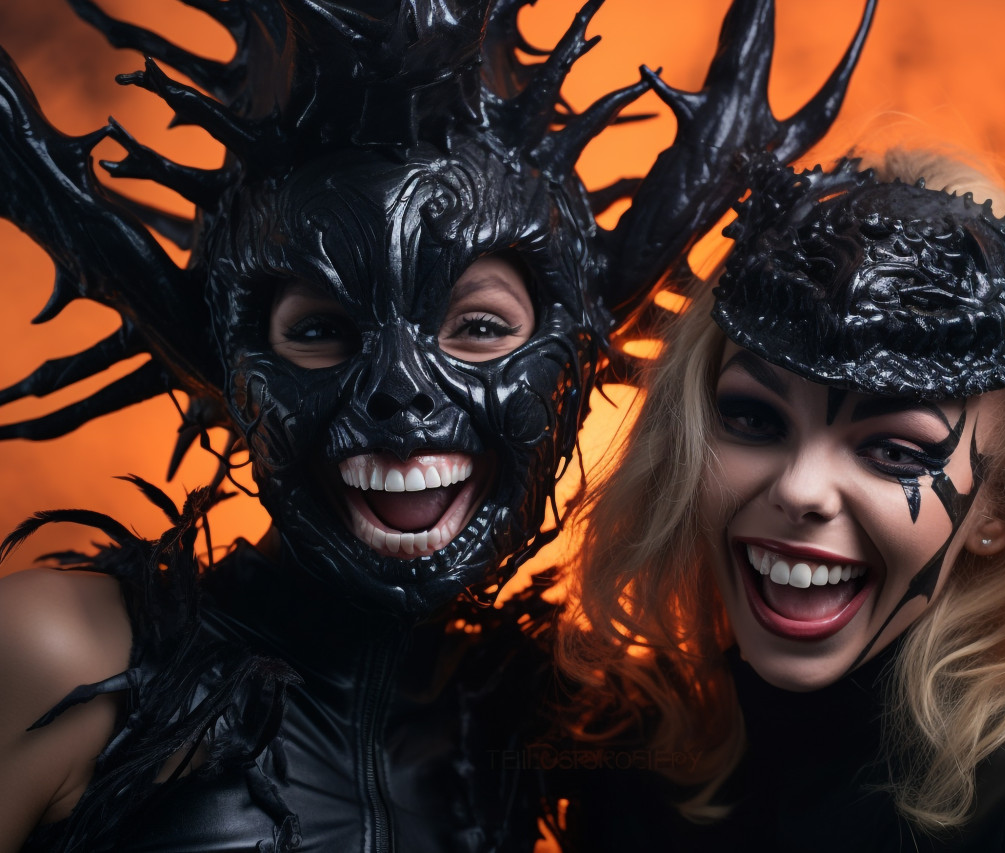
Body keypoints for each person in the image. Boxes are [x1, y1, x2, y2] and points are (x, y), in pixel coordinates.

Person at [0, 0, 877, 850]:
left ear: (575, 366)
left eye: (481, 327)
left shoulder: (549, 726)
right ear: (232, 368)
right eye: (320, 330)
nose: (398, 394)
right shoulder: (58, 655)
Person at [556, 151, 1005, 851]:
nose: (799, 488)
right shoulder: (632, 763)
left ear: (998, 508)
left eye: (894, 450)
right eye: (755, 420)